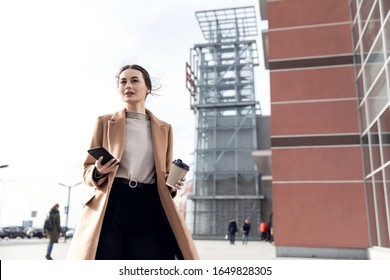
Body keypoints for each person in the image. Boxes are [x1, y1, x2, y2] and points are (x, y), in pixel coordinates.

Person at [67, 64, 199, 260]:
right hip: (111, 203)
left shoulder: (165, 128)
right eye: (123, 81)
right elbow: (86, 170)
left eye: (134, 80)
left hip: (148, 205)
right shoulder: (104, 122)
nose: (128, 85)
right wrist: (98, 171)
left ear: (148, 88)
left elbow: (163, 174)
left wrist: (172, 182)